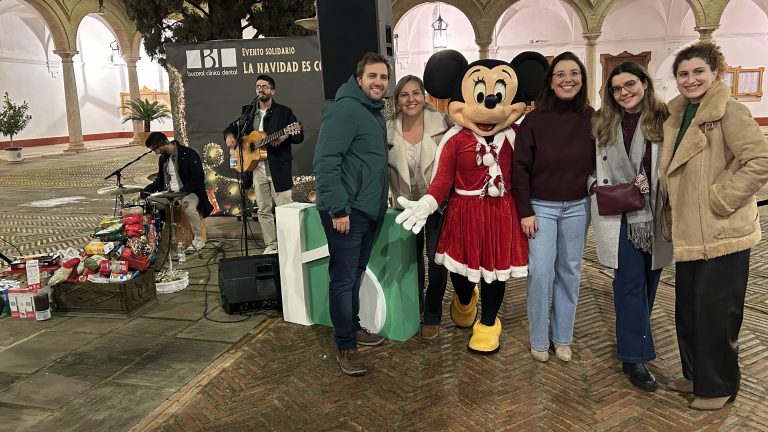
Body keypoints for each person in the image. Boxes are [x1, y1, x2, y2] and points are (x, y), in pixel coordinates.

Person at [396, 50, 546, 355]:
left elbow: (527, 176)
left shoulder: (518, 136)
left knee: (494, 271)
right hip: (464, 214)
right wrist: (426, 205)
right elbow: (442, 179)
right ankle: (465, 298)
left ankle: (489, 323)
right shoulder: (455, 139)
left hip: (502, 213)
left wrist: (529, 209)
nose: (488, 108)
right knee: (461, 274)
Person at [659, 41, 768, 410]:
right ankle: (696, 376)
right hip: (691, 231)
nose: (690, 80)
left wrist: (721, 198)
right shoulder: (677, 115)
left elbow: (760, 160)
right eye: (683, 73)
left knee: (717, 313)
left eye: (698, 72)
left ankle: (718, 386)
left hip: (723, 231)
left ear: (715, 72)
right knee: (689, 308)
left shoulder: (729, 111)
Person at [589, 62, 673, 392]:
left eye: (630, 85)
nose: (624, 92)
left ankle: (634, 335)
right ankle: (634, 356)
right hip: (618, 212)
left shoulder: (665, 118)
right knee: (628, 284)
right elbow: (585, 163)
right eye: (616, 88)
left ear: (644, 83)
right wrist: (595, 185)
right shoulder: (601, 122)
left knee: (649, 282)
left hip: (655, 211)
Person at [512, 51, 595, 363]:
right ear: (550, 81)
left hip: (578, 206)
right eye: (560, 74)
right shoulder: (534, 120)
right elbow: (519, 168)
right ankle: (538, 338)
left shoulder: (591, 117)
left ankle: (562, 337)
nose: (567, 79)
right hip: (541, 208)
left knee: (570, 271)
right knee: (542, 272)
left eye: (574, 73)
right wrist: (525, 211)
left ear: (582, 80)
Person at [313, 52, 391, 376]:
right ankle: (346, 346)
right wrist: (339, 208)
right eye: (373, 76)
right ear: (359, 79)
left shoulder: (374, 113)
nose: (379, 82)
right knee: (343, 280)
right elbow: (325, 162)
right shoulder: (345, 110)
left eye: (384, 77)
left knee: (354, 276)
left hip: (367, 210)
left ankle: (354, 326)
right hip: (348, 212)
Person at [386, 75, 451, 339]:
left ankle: (433, 314)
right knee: (411, 261)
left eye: (416, 93)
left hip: (436, 204)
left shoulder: (444, 124)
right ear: (397, 99)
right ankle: (416, 308)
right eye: (404, 94)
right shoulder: (387, 128)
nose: (411, 99)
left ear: (424, 96)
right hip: (404, 206)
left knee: (436, 259)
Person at [223, 74, 304, 255]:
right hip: (257, 169)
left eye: (265, 86)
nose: (261, 89)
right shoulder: (249, 112)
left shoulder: (284, 112)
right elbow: (231, 127)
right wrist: (229, 136)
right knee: (263, 209)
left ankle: (290, 245)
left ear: (272, 91)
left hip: (278, 168)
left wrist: (285, 135)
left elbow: (298, 135)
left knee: (285, 209)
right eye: (258, 86)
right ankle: (272, 245)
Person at [142, 132, 213, 250]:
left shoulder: (189, 154)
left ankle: (199, 238)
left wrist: (181, 192)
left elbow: (198, 179)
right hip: (169, 193)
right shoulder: (163, 159)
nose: (155, 152)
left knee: (188, 206)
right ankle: (157, 238)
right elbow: (159, 181)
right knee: (148, 203)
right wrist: (142, 193)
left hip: (189, 192)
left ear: (162, 144)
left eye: (155, 149)